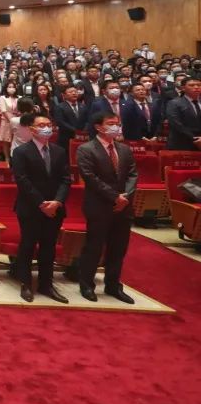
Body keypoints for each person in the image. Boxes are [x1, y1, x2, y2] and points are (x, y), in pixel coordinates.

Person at [76, 113, 137, 304]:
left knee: (118, 248)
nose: (116, 127)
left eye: (117, 123)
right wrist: (114, 197)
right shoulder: (86, 149)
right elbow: (90, 177)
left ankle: (113, 285)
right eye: (111, 124)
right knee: (94, 247)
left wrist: (125, 196)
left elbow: (133, 174)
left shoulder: (124, 149)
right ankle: (86, 284)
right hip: (99, 205)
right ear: (98, 127)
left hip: (124, 206)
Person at [10, 114, 71, 304]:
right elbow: (22, 180)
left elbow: (66, 179)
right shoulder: (21, 151)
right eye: (42, 125)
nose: (46, 128)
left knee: (48, 247)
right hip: (31, 207)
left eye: (49, 124)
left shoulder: (59, 151)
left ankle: (46, 284)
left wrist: (57, 201)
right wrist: (41, 203)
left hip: (55, 208)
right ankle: (26, 283)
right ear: (32, 129)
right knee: (28, 245)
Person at [165, 77, 201, 150]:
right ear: (183, 88)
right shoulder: (174, 103)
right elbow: (176, 124)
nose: (196, 87)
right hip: (182, 143)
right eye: (192, 85)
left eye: (199, 85)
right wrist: (195, 138)